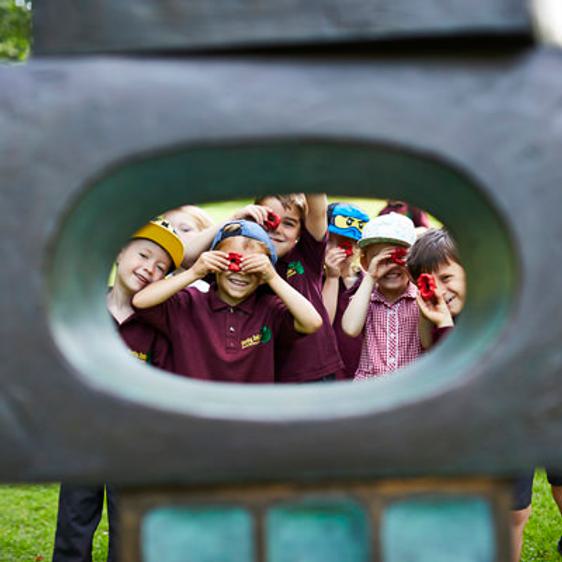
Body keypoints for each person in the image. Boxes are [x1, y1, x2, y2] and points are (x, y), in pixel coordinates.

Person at [53, 217, 184, 562]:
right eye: (143, 255)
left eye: (160, 268)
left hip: (132, 442)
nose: (148, 269)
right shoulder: (82, 306)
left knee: (128, 529)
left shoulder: (157, 325)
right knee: (73, 522)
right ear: (119, 252)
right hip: (84, 436)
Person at [132, 220, 322, 383]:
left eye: (252, 266)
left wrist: (273, 277)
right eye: (231, 262)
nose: (240, 272)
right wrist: (195, 272)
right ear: (214, 265)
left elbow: (313, 322)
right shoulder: (188, 303)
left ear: (263, 275)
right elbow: (141, 300)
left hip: (249, 418)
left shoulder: (270, 309)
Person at [253, 193, 344, 383]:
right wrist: (235, 218)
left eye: (289, 223)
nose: (277, 229)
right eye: (269, 219)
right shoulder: (244, 258)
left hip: (316, 369)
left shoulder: (306, 253)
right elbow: (188, 258)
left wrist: (301, 168)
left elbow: (318, 210)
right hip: (272, 374)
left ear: (300, 232)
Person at [342, 212, 421, 379]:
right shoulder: (365, 299)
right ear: (365, 263)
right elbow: (350, 328)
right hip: (370, 388)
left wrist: (412, 269)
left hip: (412, 387)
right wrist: (370, 276)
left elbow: (428, 341)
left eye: (399, 257)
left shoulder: (420, 299)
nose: (390, 267)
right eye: (380, 259)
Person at [322, 202, 370, 379]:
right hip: (327, 377)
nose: (334, 250)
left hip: (361, 374)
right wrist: (332, 277)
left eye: (345, 245)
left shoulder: (367, 284)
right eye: (328, 242)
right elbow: (322, 326)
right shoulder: (315, 280)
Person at [406, 228, 466, 349]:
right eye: (429, 284)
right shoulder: (440, 315)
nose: (438, 291)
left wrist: (445, 323)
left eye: (446, 278)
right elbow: (427, 345)